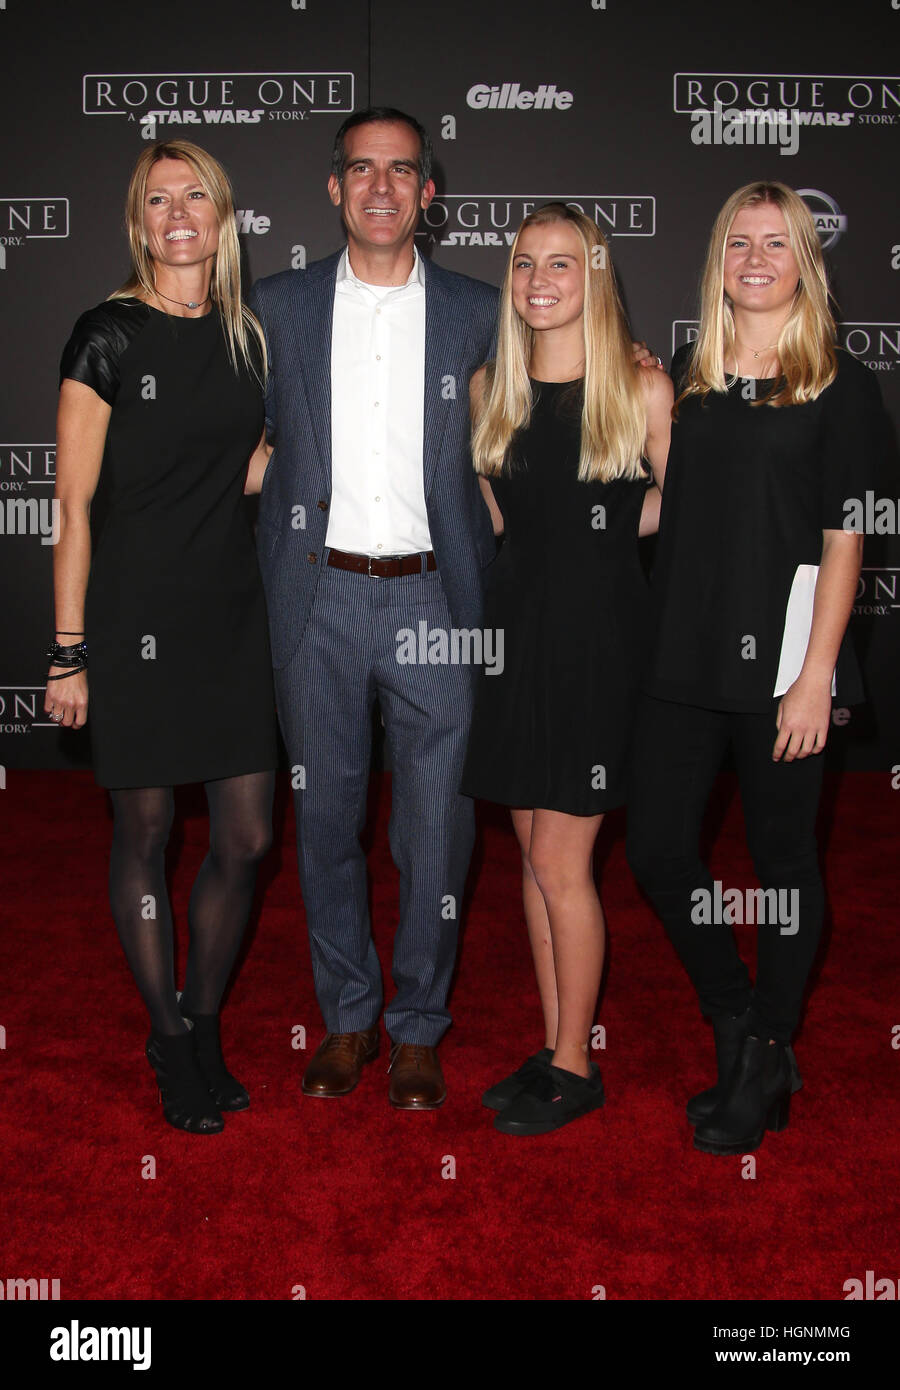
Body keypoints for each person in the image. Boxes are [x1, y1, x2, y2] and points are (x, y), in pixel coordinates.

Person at [247, 109, 661, 1109]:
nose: (382, 187)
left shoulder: (486, 312)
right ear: (334, 188)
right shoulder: (274, 307)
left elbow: (579, 371)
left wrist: (645, 381)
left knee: (438, 830)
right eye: (363, 170)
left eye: (403, 171)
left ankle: (420, 1026)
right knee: (328, 820)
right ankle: (348, 1018)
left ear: (429, 194)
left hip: (444, 597)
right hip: (320, 597)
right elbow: (222, 422)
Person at [625, 181, 887, 1155]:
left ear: (805, 261)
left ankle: (770, 1045)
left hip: (785, 662)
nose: (756, 257)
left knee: (782, 865)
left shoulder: (840, 383)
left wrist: (820, 670)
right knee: (656, 848)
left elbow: (849, 531)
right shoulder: (689, 373)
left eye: (777, 242)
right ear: (719, 257)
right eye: (741, 240)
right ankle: (738, 1020)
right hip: (681, 651)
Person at [48, 140, 278, 1134]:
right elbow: (72, 503)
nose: (177, 213)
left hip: (231, 615)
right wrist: (68, 650)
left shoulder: (248, 339)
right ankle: (171, 1038)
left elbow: (245, 469)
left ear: (224, 218)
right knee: (144, 833)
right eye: (157, 199)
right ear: (138, 221)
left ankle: (201, 1014)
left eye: (195, 197)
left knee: (248, 837)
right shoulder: (106, 336)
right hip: (132, 615)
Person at [461, 204, 672, 1135]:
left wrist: (611, 536)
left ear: (596, 275)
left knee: (561, 858)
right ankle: (554, 1043)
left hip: (597, 643)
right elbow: (496, 521)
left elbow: (688, 505)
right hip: (512, 637)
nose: (539, 280)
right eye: (523, 264)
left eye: (562, 263)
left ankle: (578, 1065)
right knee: (529, 855)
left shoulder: (638, 387)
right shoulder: (489, 391)